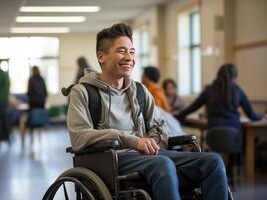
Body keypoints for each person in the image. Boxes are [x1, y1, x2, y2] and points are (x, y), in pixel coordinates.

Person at [67, 23, 228, 200]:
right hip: (110, 159)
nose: (129, 57)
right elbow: (79, 137)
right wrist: (132, 141)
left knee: (213, 161)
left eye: (132, 51)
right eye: (121, 51)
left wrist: (152, 140)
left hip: (149, 156)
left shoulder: (140, 91)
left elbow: (159, 126)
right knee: (162, 164)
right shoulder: (82, 92)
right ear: (101, 56)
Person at [176, 63, 262, 131]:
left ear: (218, 75)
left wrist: (178, 115)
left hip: (213, 134)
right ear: (235, 77)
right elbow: (251, 114)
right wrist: (262, 117)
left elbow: (193, 107)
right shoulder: (237, 90)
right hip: (234, 133)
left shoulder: (209, 89)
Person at [0, 60, 11, 142]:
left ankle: (3, 136)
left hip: (1, 100)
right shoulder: (3, 74)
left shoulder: (1, 75)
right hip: (3, 99)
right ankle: (3, 136)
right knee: (3, 118)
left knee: (2, 118)